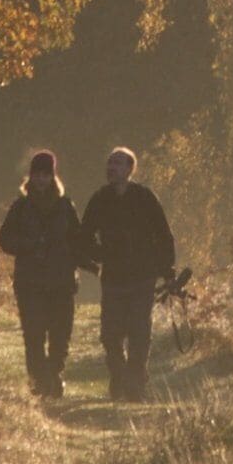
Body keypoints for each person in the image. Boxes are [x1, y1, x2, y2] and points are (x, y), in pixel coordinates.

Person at [77, 144, 175, 400]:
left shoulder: (145, 197)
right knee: (110, 334)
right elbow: (84, 236)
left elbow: (163, 235)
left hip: (143, 275)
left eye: (118, 163)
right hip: (113, 277)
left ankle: (134, 383)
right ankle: (119, 376)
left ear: (130, 169)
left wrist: (167, 269)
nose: (112, 168)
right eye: (110, 163)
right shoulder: (100, 199)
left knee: (139, 332)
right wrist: (99, 256)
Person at [0, 149, 80, 399]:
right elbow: (5, 240)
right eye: (37, 174)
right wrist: (30, 245)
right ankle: (39, 381)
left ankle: (53, 376)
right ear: (30, 177)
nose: (41, 179)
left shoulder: (66, 206)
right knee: (33, 335)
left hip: (61, 281)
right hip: (30, 283)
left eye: (46, 174)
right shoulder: (20, 208)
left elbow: (77, 239)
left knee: (60, 335)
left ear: (53, 177)